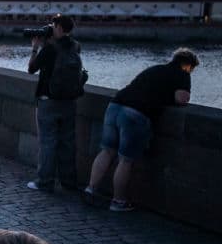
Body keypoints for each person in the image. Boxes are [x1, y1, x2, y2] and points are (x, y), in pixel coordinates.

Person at [85, 48, 200, 212]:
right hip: (135, 113)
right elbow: (181, 98)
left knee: (107, 151)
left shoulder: (155, 68)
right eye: (192, 69)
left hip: (115, 106)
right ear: (188, 65)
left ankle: (91, 189)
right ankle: (118, 201)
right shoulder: (182, 73)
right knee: (125, 160)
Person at [26, 14, 82, 193]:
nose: (51, 27)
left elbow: (31, 69)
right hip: (69, 101)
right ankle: (68, 182)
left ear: (58, 27)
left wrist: (35, 48)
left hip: (48, 101)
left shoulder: (50, 49)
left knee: (48, 143)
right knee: (67, 143)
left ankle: (45, 182)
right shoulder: (75, 46)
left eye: (53, 25)